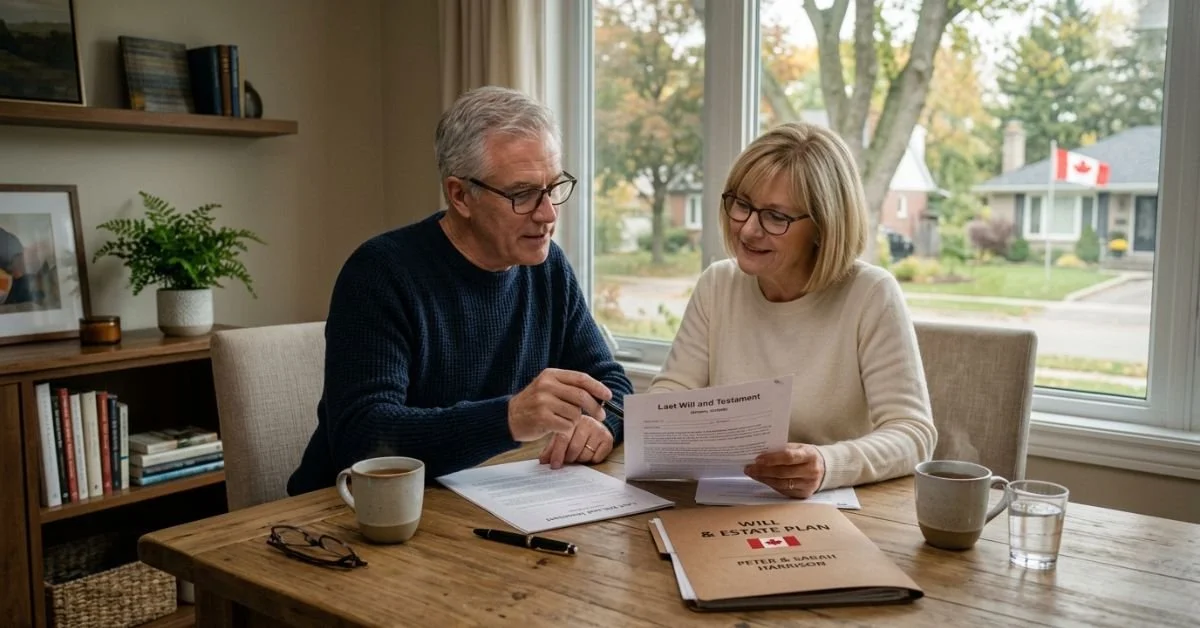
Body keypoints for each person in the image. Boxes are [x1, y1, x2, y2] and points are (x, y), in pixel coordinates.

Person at [287, 86, 631, 495]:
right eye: (522, 195)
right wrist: (509, 419)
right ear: (460, 195)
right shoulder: (380, 273)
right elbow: (363, 438)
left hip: (482, 499)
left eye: (553, 187)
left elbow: (611, 384)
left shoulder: (548, 267)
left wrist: (603, 427)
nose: (548, 214)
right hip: (351, 514)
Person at [647, 122, 936, 498]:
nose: (749, 230)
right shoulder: (718, 284)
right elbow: (671, 393)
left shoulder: (870, 294)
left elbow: (913, 434)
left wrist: (827, 464)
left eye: (776, 217)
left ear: (822, 226)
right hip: (729, 505)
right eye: (742, 205)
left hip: (843, 515)